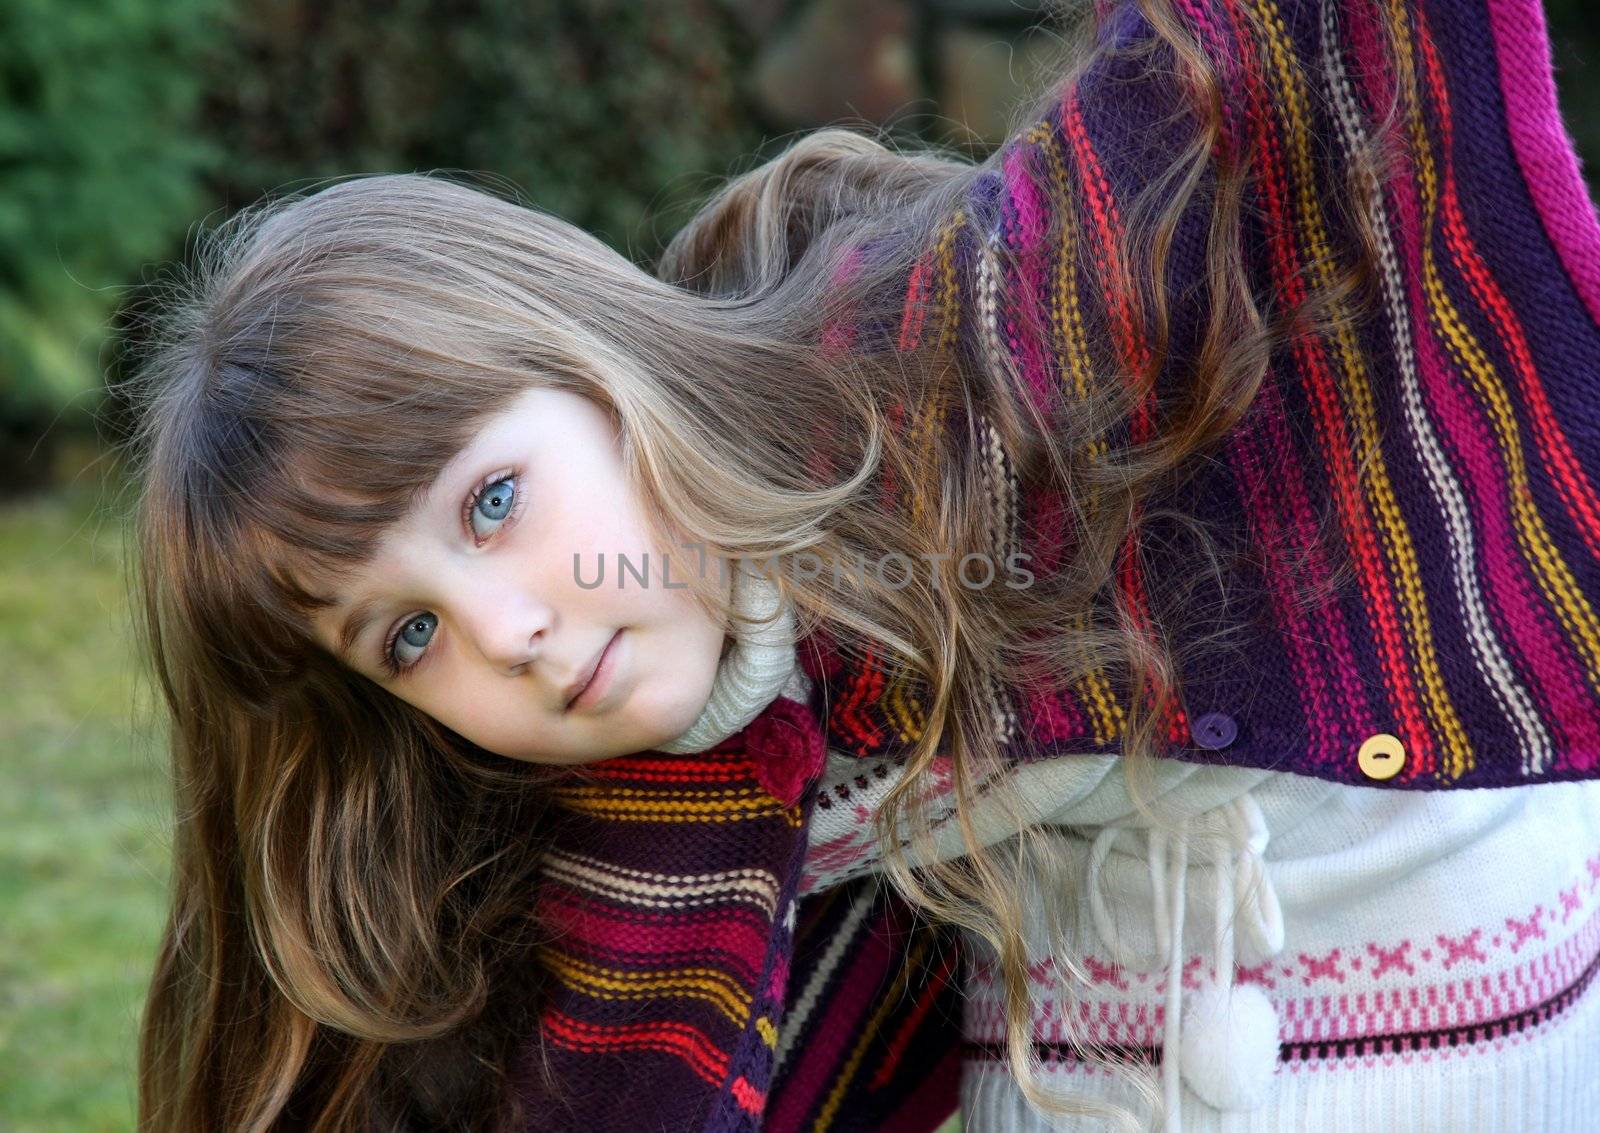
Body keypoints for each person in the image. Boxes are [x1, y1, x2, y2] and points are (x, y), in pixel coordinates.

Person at [119, 0, 1600, 1127]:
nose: (504, 630)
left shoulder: (962, 371)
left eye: (493, 498)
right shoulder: (634, 835)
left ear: (598, 360)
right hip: (1093, 1071)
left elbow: (1262, 85)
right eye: (403, 637)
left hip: (1492, 1006)